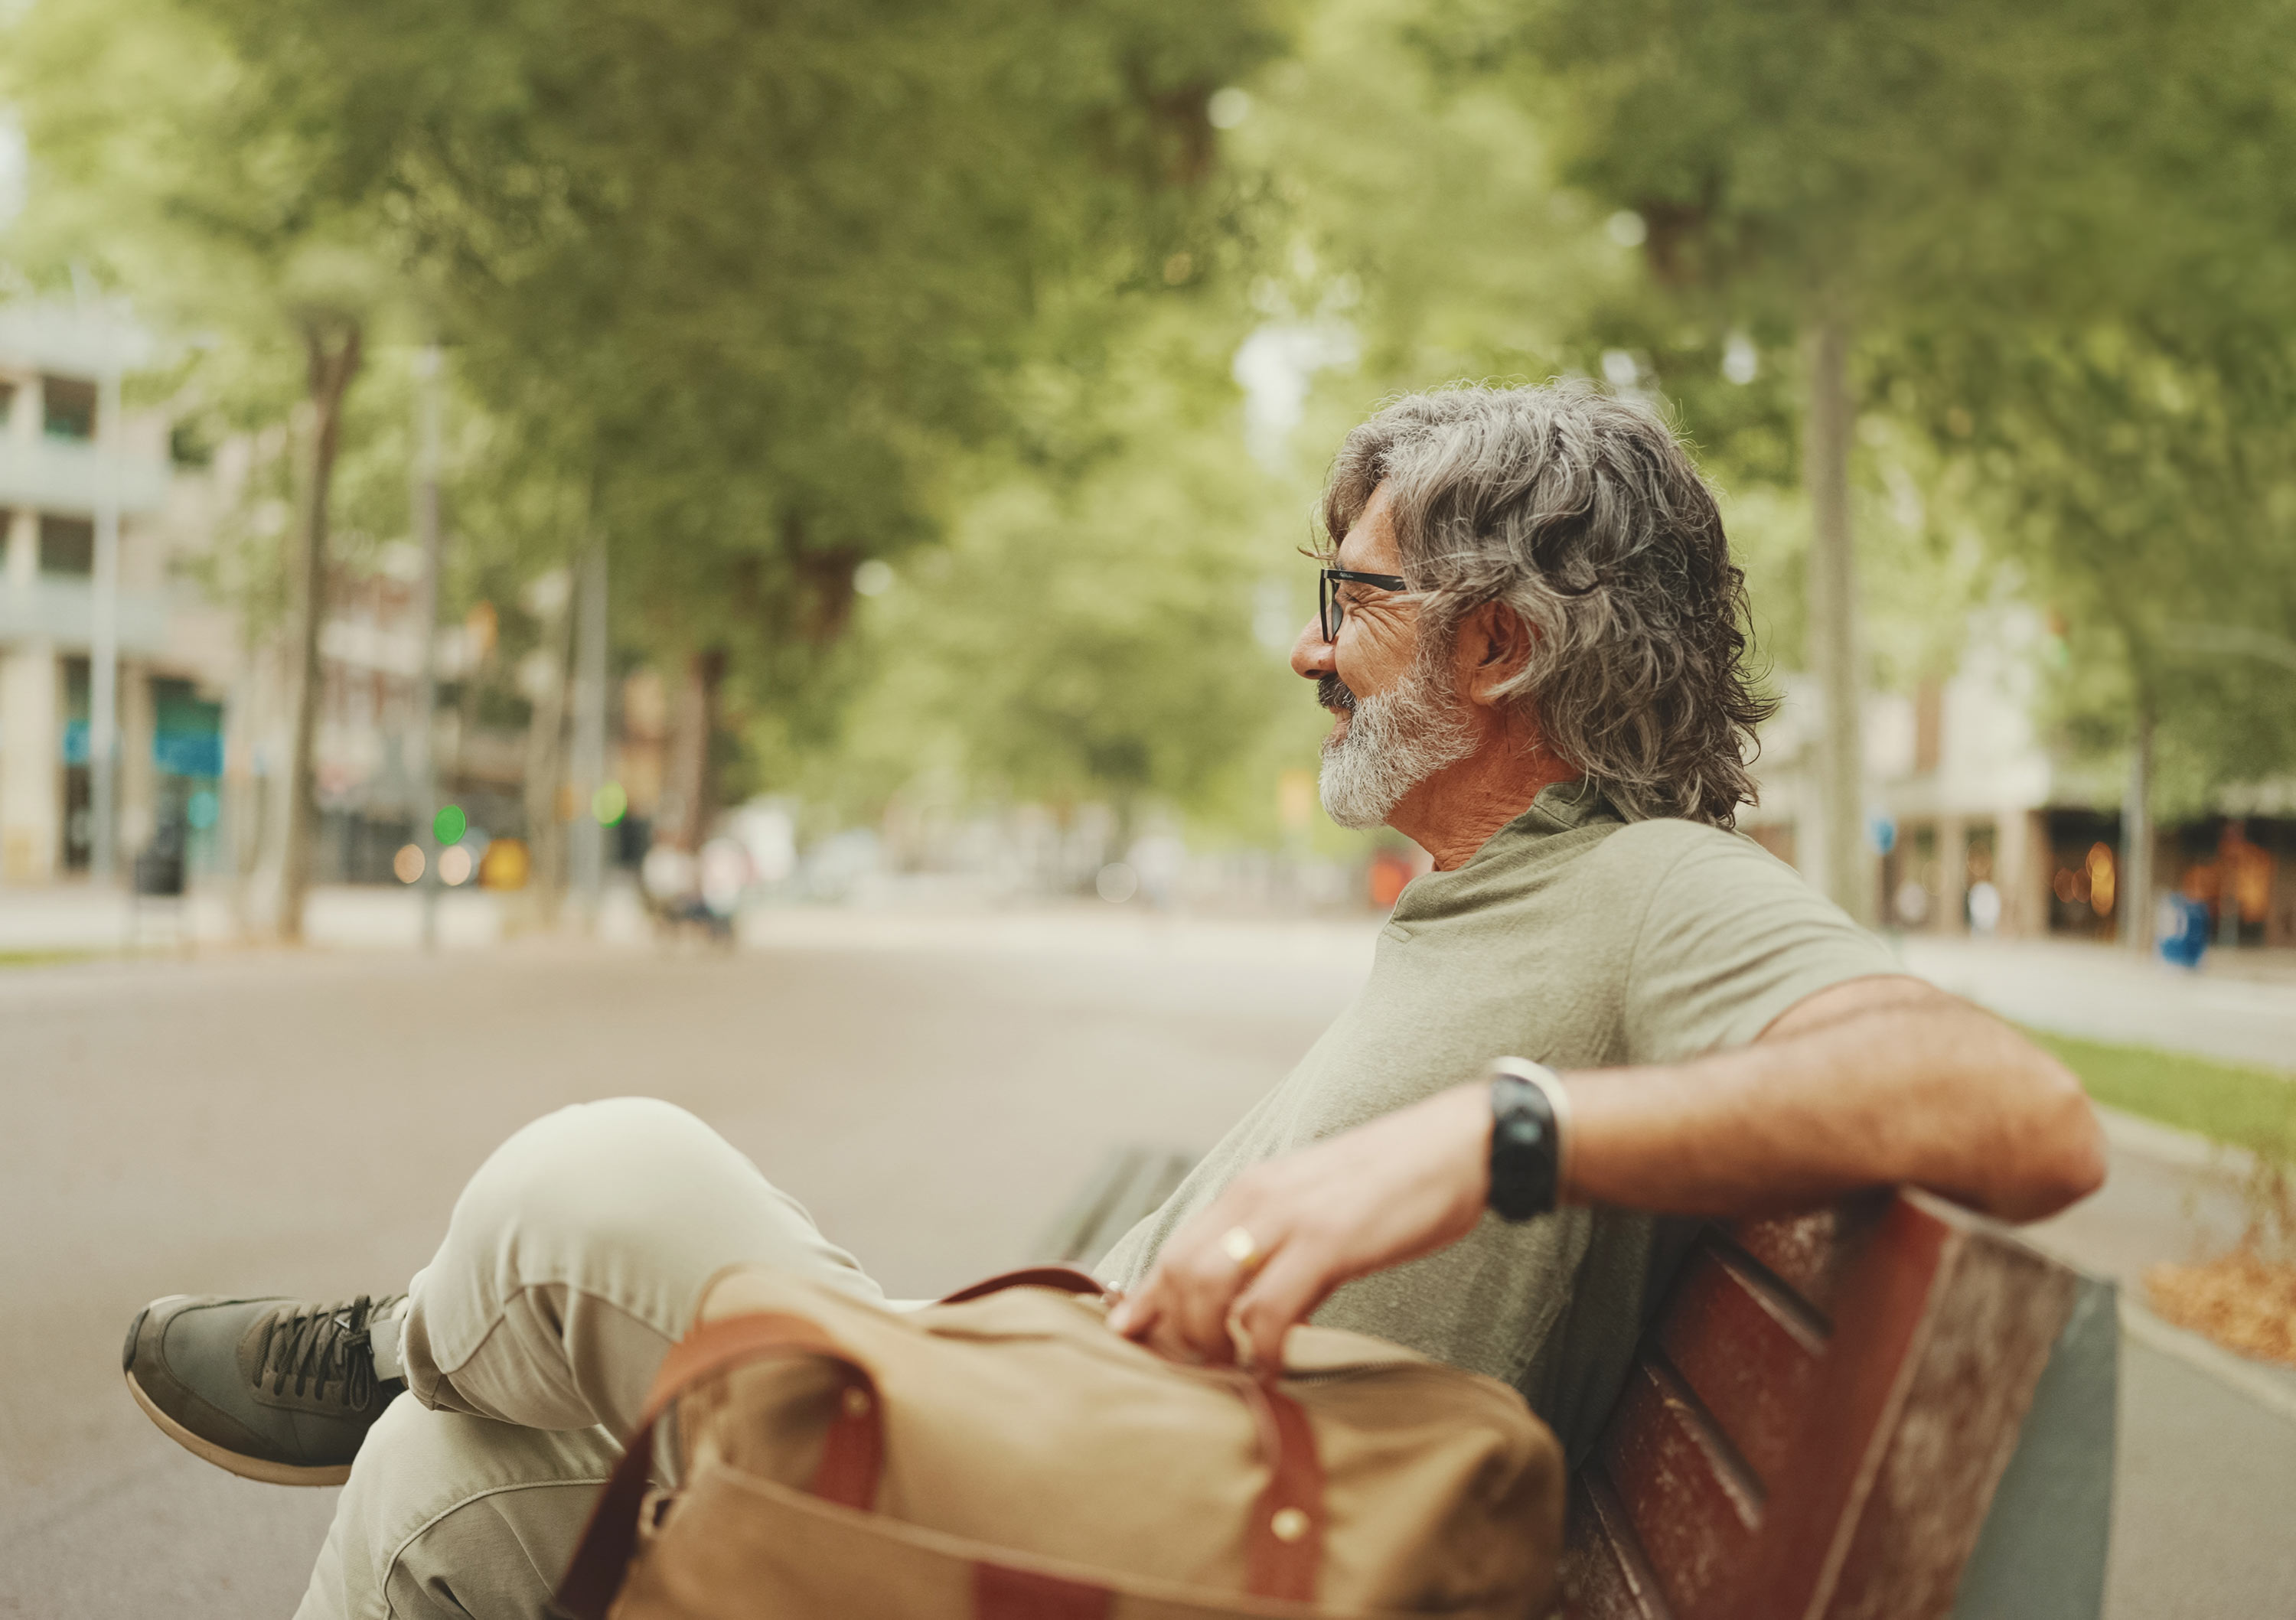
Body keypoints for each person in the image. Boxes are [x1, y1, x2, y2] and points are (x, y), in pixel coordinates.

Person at [122, 384, 2105, 1620]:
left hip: (1181, 1537)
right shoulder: (1482, 906)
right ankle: (425, 1382)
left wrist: (1498, 1138)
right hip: (1080, 1450)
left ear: (1496, 647)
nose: (1306, 652)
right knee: (446, 1494)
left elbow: (2020, 1111)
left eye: (1351, 601)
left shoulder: (1647, 888)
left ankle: (413, 1336)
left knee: (597, 1181)